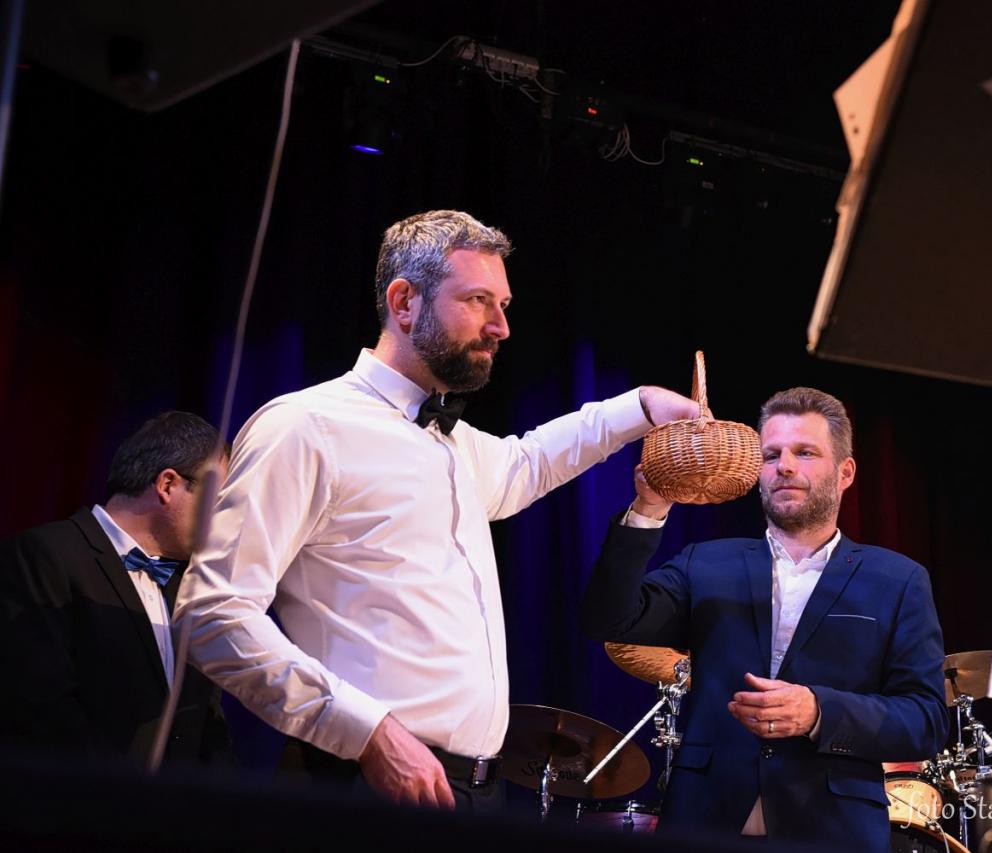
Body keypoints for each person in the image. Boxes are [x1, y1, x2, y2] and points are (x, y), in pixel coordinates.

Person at [173, 210, 699, 813]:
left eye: (504, 305)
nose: (501, 327)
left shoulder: (452, 441)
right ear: (404, 302)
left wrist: (641, 407)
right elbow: (212, 613)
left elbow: (528, 463)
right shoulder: (306, 427)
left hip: (475, 789)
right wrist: (366, 732)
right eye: (478, 301)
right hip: (364, 781)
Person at [581, 386, 949, 846]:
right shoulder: (706, 563)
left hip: (832, 835)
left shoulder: (897, 580)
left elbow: (925, 721)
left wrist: (818, 711)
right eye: (771, 455)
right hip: (704, 827)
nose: (785, 466)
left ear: (846, 472)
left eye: (805, 452)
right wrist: (648, 508)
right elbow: (608, 620)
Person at [0, 411, 229, 764]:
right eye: (220, 500)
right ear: (168, 485)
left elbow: (205, 723)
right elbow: (42, 709)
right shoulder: (44, 555)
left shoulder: (191, 585)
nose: (226, 521)